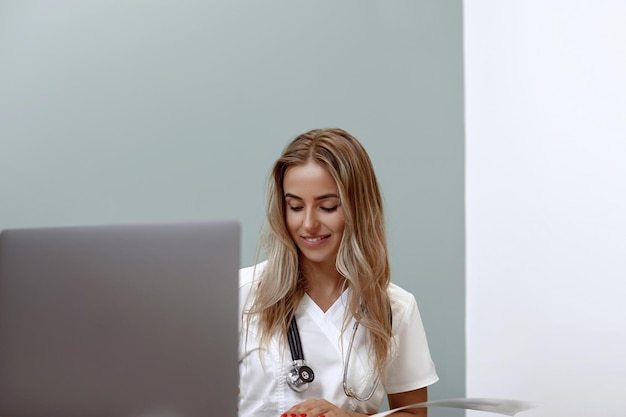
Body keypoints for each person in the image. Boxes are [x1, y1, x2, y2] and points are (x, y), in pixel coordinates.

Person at [239, 128, 438, 417]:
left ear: (359, 209)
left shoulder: (395, 308)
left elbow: (414, 415)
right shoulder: (241, 295)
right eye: (295, 206)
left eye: (328, 207)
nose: (308, 224)